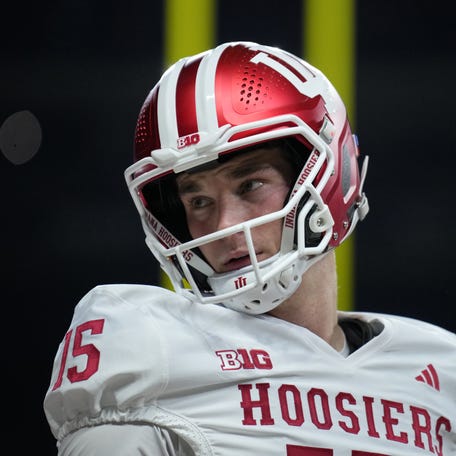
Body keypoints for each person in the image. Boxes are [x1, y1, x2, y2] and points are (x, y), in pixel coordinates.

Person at [43, 41, 456, 455]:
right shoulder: (153, 351)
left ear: (329, 177)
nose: (223, 227)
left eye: (250, 185)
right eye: (199, 201)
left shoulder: (442, 374)